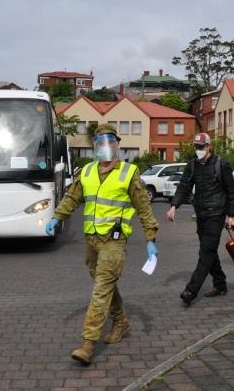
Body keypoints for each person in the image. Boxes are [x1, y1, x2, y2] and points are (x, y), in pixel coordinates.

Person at [44, 124, 159, 365]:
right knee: (103, 285)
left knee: (100, 290)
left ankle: (87, 343)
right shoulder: (86, 172)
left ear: (117, 145)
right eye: (99, 144)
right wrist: (57, 217)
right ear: (95, 148)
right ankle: (121, 323)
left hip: (114, 242)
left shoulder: (129, 172)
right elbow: (72, 197)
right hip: (91, 240)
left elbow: (143, 208)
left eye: (109, 143)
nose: (105, 148)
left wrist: (151, 238)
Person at [166, 133, 234, 307]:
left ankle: (191, 290)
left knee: (205, 252)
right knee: (209, 251)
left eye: (201, 147)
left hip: (216, 215)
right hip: (201, 215)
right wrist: (174, 206)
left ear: (209, 146)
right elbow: (184, 187)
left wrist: (231, 215)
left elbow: (230, 192)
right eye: (196, 147)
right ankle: (220, 284)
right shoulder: (192, 165)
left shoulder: (221, 164)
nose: (199, 150)